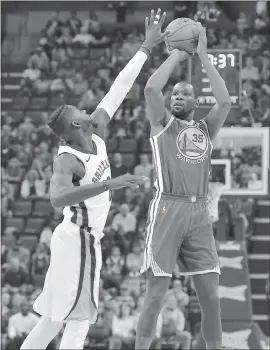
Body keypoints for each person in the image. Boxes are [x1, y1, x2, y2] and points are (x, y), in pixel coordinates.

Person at [21, 9, 169, 350]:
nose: (87, 110)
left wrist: (146, 47)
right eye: (79, 111)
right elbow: (57, 200)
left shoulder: (96, 129)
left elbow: (119, 86)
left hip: (76, 240)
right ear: (75, 126)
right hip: (79, 239)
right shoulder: (68, 160)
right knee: (79, 320)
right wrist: (107, 185)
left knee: (52, 320)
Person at [135, 22, 232, 350]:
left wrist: (203, 57)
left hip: (199, 211)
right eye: (175, 93)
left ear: (194, 100)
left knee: (211, 297)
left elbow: (225, 102)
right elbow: (151, 89)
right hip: (167, 208)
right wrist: (177, 53)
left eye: (184, 93)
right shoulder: (162, 124)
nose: (177, 96)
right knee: (156, 296)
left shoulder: (206, 128)